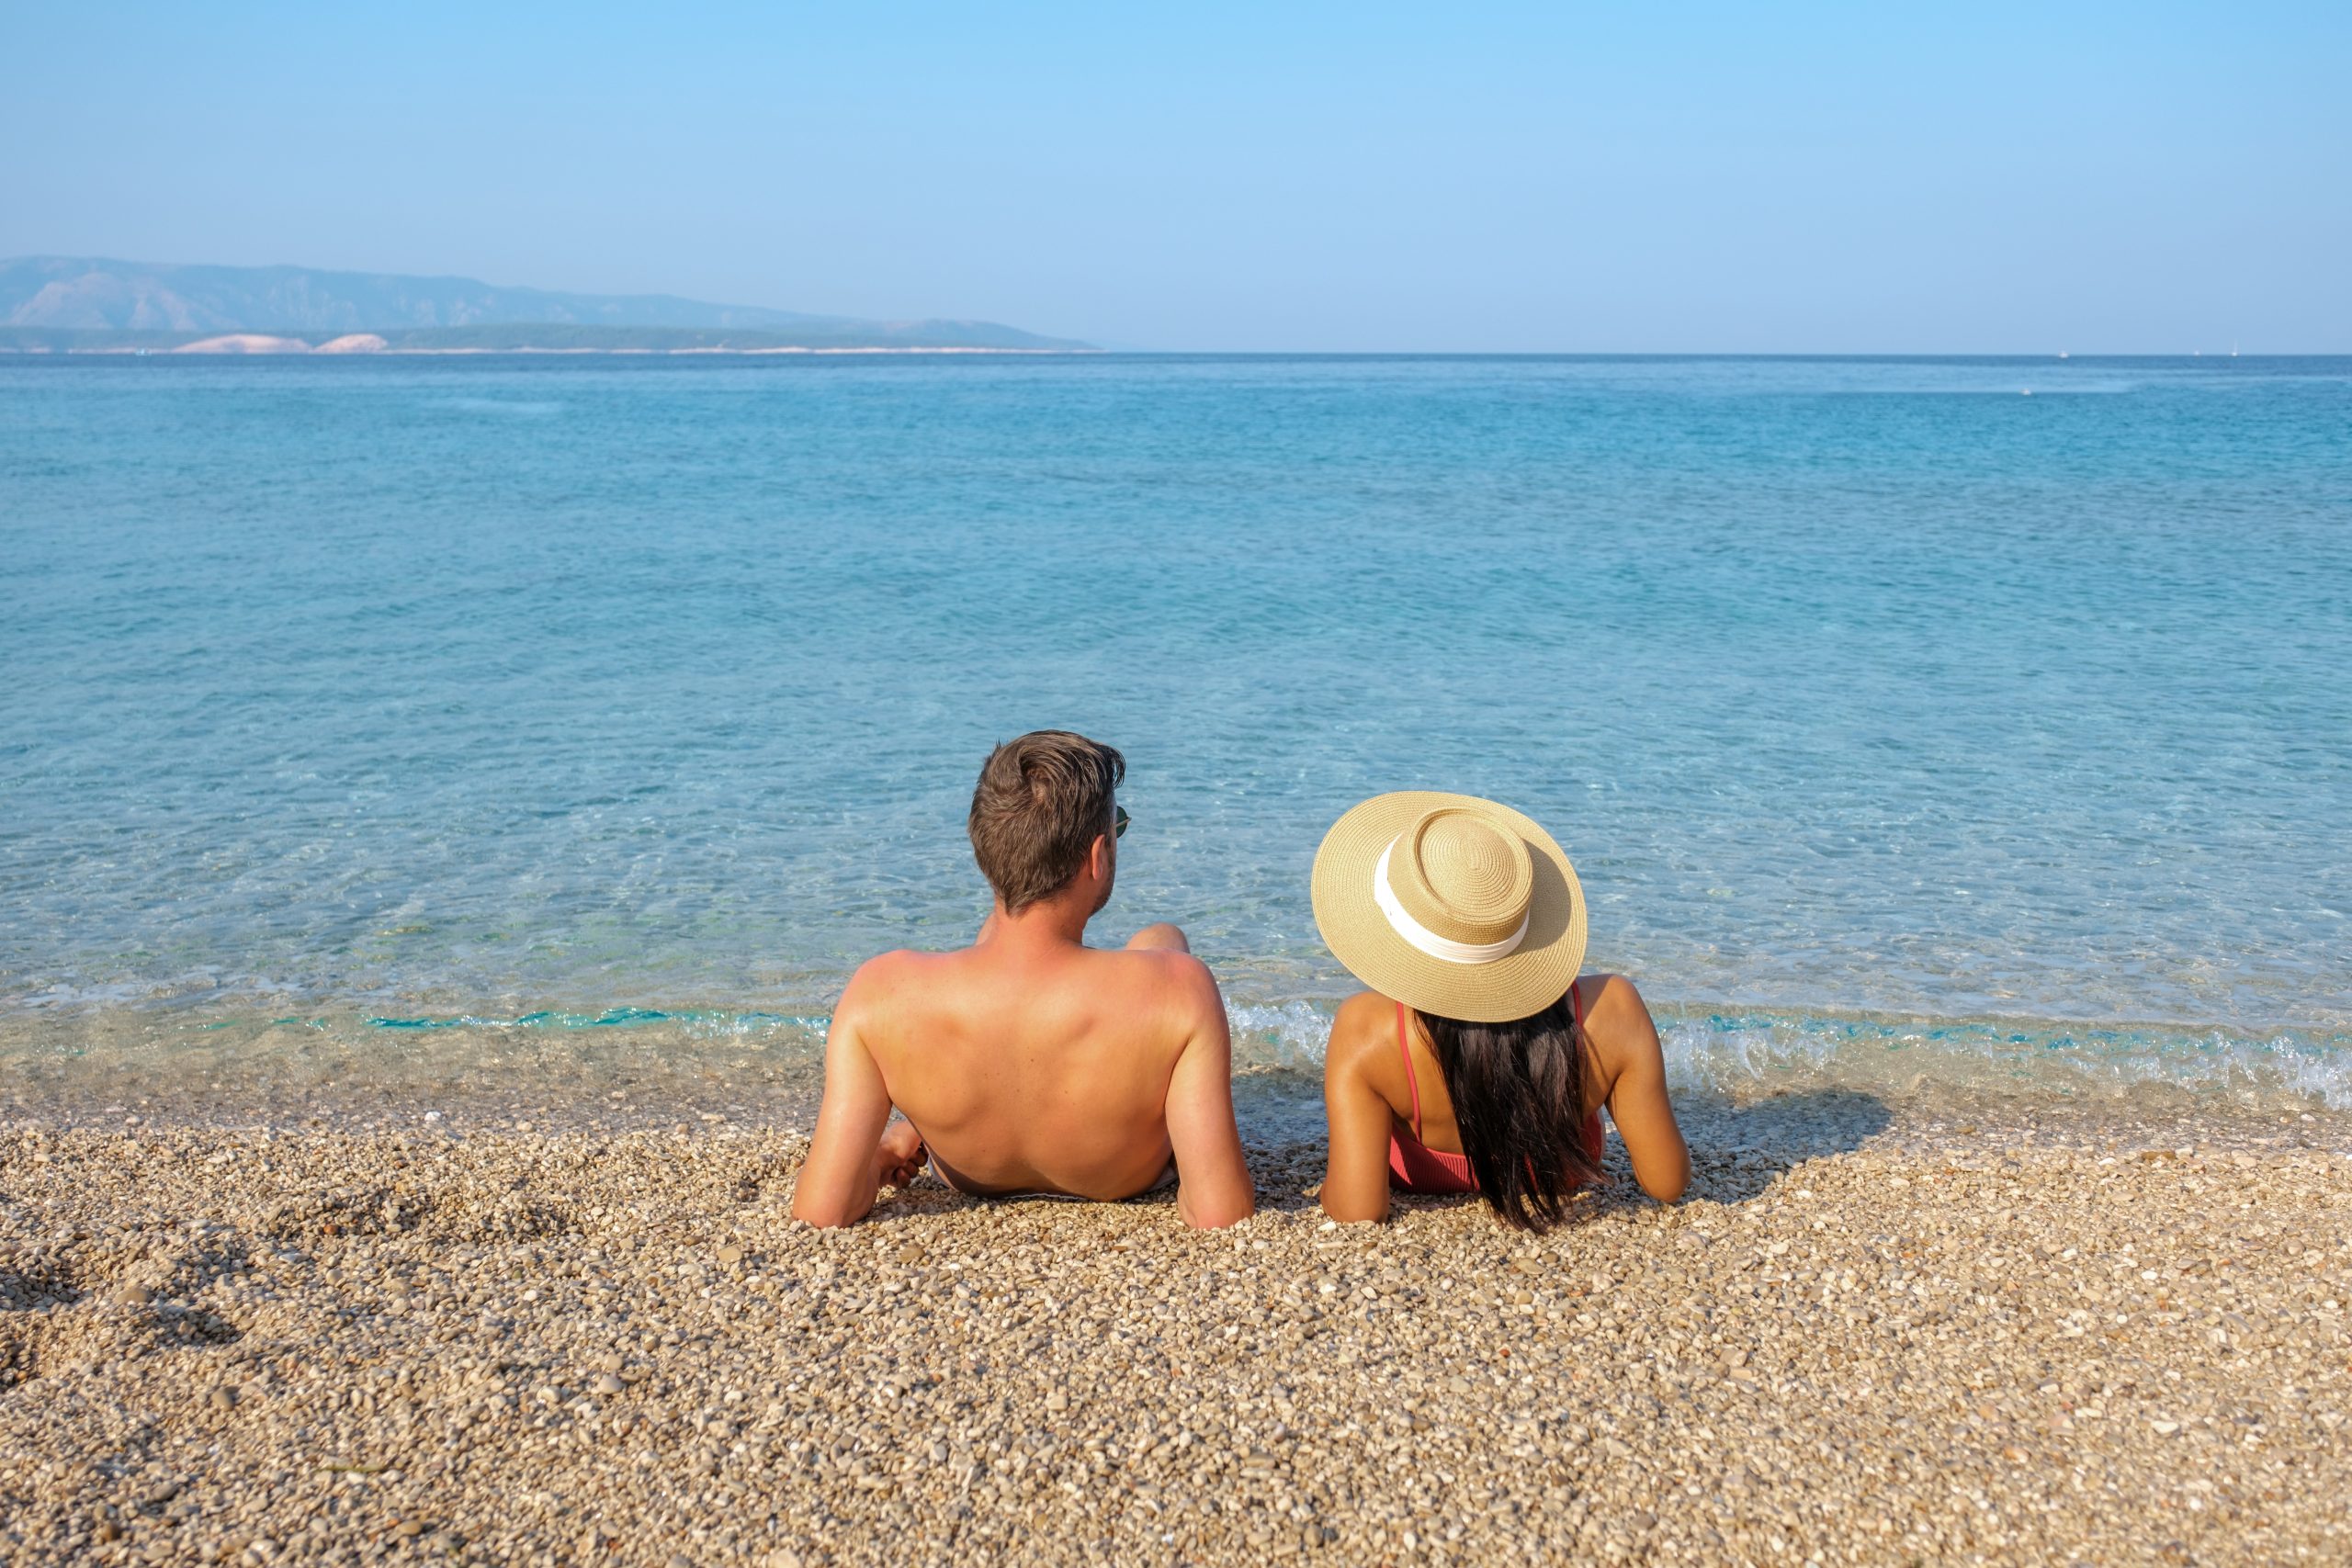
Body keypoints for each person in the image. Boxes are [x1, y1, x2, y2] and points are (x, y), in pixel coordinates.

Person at [791, 730, 1256, 1229]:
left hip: (970, 1169)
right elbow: (1217, 1213)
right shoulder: (1181, 990)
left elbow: (823, 1210)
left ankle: (924, 1125)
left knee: (993, 937)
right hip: (1118, 1174)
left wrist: (873, 1163)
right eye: (1117, 828)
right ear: (1097, 856)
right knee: (1163, 938)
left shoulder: (880, 992)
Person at [1311, 791, 1688, 1228]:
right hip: (1559, 1177)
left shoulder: (1368, 1031)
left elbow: (1359, 1211)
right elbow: (1667, 1182)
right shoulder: (1613, 1009)